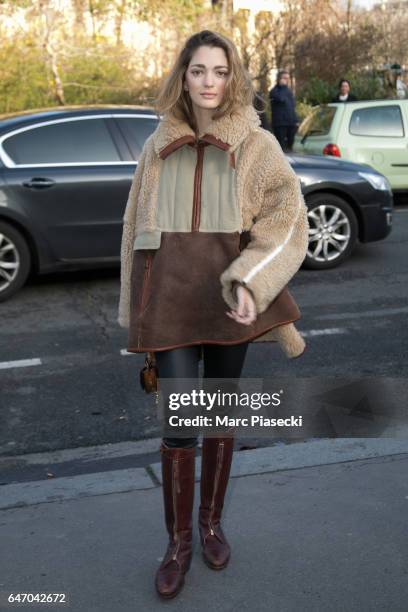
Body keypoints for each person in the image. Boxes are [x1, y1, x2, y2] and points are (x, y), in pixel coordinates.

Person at [117, 29, 309, 599]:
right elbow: (134, 233)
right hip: (172, 304)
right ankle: (177, 544)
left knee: (219, 417)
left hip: (230, 307)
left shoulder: (256, 145)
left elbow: (287, 220)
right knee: (179, 425)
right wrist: (137, 312)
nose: (208, 82)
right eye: (198, 70)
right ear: (184, 76)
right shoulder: (158, 145)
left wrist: (251, 279)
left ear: (233, 78)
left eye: (219, 71)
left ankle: (210, 525)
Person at [268, 70, 299, 151]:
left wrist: (296, 120)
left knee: (290, 146)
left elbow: (292, 107)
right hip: (280, 124)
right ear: (279, 79)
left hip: (290, 123)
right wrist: (282, 86)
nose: (287, 80)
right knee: (281, 147)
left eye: (288, 78)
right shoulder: (274, 91)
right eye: (285, 78)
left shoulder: (289, 91)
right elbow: (280, 99)